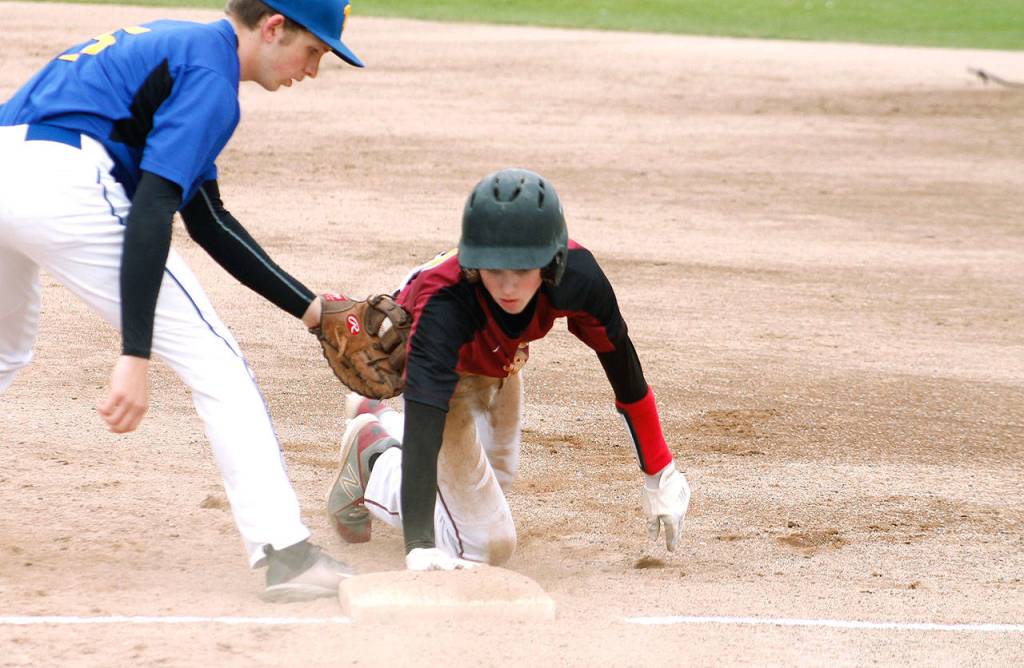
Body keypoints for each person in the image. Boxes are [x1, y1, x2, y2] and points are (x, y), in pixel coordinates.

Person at [0, 0, 366, 601]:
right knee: (216, 362)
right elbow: (152, 208)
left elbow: (208, 219)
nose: (313, 70)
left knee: (6, 349)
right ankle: (285, 553)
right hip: (64, 185)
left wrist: (310, 309)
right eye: (315, 50)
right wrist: (135, 354)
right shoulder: (212, 80)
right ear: (275, 27)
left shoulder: (181, 49)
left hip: (12, 160)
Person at [326, 168, 692, 570]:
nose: (508, 287)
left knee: (495, 479)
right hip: (445, 376)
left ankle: (376, 425)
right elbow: (426, 424)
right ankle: (374, 459)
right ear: (472, 263)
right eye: (494, 268)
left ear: (553, 262)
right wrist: (419, 544)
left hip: (500, 356)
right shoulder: (444, 310)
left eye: (523, 268)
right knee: (485, 545)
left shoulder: (580, 278)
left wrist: (660, 470)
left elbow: (624, 369)